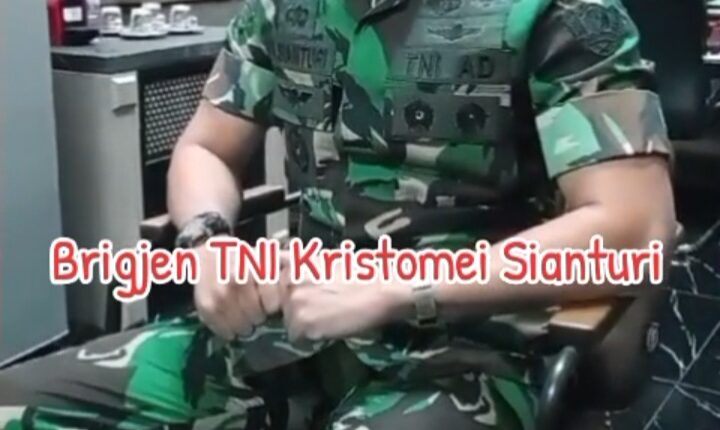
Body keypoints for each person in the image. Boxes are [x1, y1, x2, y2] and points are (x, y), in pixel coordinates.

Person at [0, 0, 677, 429]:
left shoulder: (559, 12)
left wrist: (396, 289)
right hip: (282, 334)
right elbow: (207, 146)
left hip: (467, 355)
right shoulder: (280, 9)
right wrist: (208, 239)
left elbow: (634, 226)